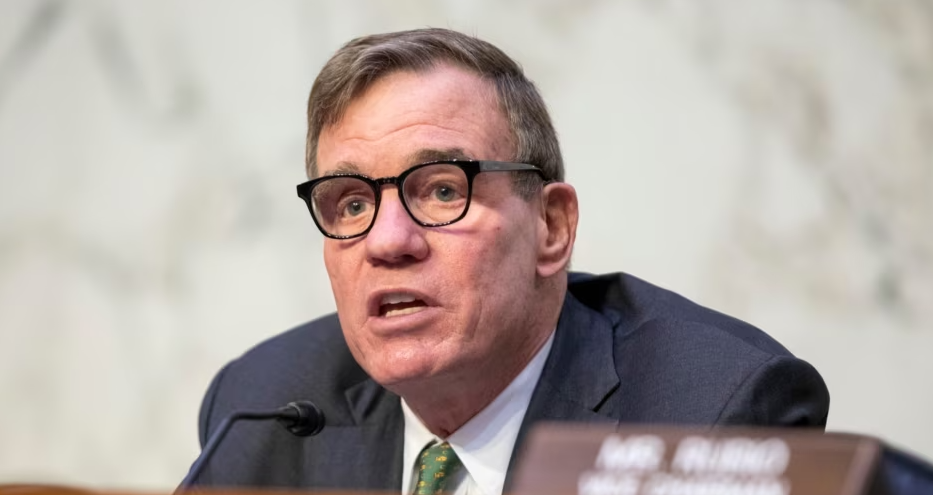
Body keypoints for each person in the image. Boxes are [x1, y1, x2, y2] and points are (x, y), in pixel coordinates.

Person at [187, 28, 829, 494]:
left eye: (442, 191)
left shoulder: (713, 413)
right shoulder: (263, 404)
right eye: (352, 204)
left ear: (552, 227)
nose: (388, 241)